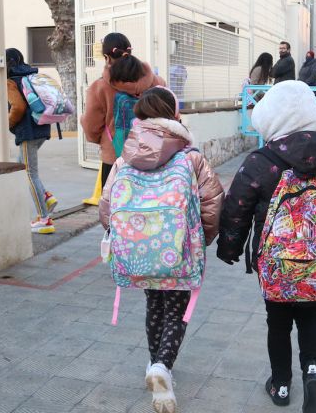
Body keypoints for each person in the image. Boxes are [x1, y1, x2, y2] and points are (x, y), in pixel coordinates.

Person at [216, 80, 316, 413]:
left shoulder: (261, 161)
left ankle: (281, 384)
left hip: (276, 262)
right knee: (310, 317)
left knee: (278, 322)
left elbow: (236, 208)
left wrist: (229, 249)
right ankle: (313, 372)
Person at [99, 87, 224, 413]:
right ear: (174, 116)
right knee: (177, 311)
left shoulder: (126, 157)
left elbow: (107, 204)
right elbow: (212, 204)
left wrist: (122, 240)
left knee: (154, 305)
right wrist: (203, 241)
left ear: (140, 116)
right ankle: (161, 366)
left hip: (138, 252)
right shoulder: (190, 157)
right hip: (179, 252)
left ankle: (155, 364)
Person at [81, 32, 166, 189]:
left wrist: (100, 140)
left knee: (114, 205)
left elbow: (91, 125)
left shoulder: (99, 87)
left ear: (107, 57)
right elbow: (171, 115)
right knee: (150, 203)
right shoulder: (157, 82)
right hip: (153, 153)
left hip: (115, 157)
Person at [6, 48, 59, 234]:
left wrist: (8, 123)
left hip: (27, 131)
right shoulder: (31, 74)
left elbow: (18, 107)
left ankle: (45, 220)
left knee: (30, 173)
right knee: (22, 166)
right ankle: (45, 196)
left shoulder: (11, 80)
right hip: (42, 126)